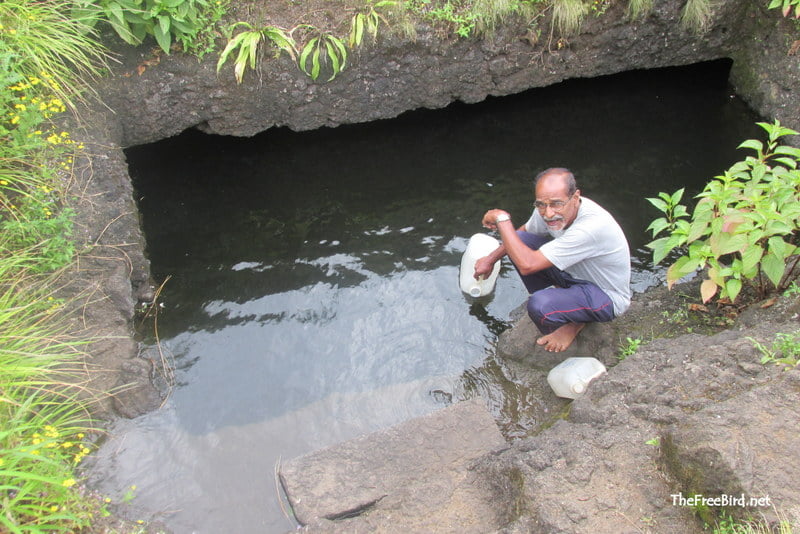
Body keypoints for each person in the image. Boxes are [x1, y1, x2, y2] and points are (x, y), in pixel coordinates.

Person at [475, 167, 631, 352]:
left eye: (557, 204)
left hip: (605, 295)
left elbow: (528, 265)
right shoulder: (549, 208)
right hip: (574, 275)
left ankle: (574, 323)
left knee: (540, 306)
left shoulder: (590, 227)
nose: (548, 213)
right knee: (521, 241)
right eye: (541, 204)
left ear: (575, 197)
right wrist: (491, 259)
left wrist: (502, 220)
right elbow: (523, 233)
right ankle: (565, 302)